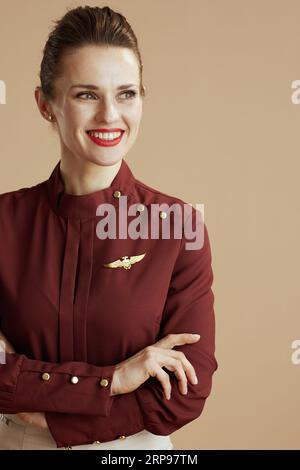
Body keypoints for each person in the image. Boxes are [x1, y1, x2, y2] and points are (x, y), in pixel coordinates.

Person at [0, 5, 217, 450]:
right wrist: (114, 380)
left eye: (126, 94)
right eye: (85, 95)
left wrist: (54, 419)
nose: (109, 116)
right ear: (46, 105)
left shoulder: (176, 226)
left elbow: (187, 390)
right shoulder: (3, 222)